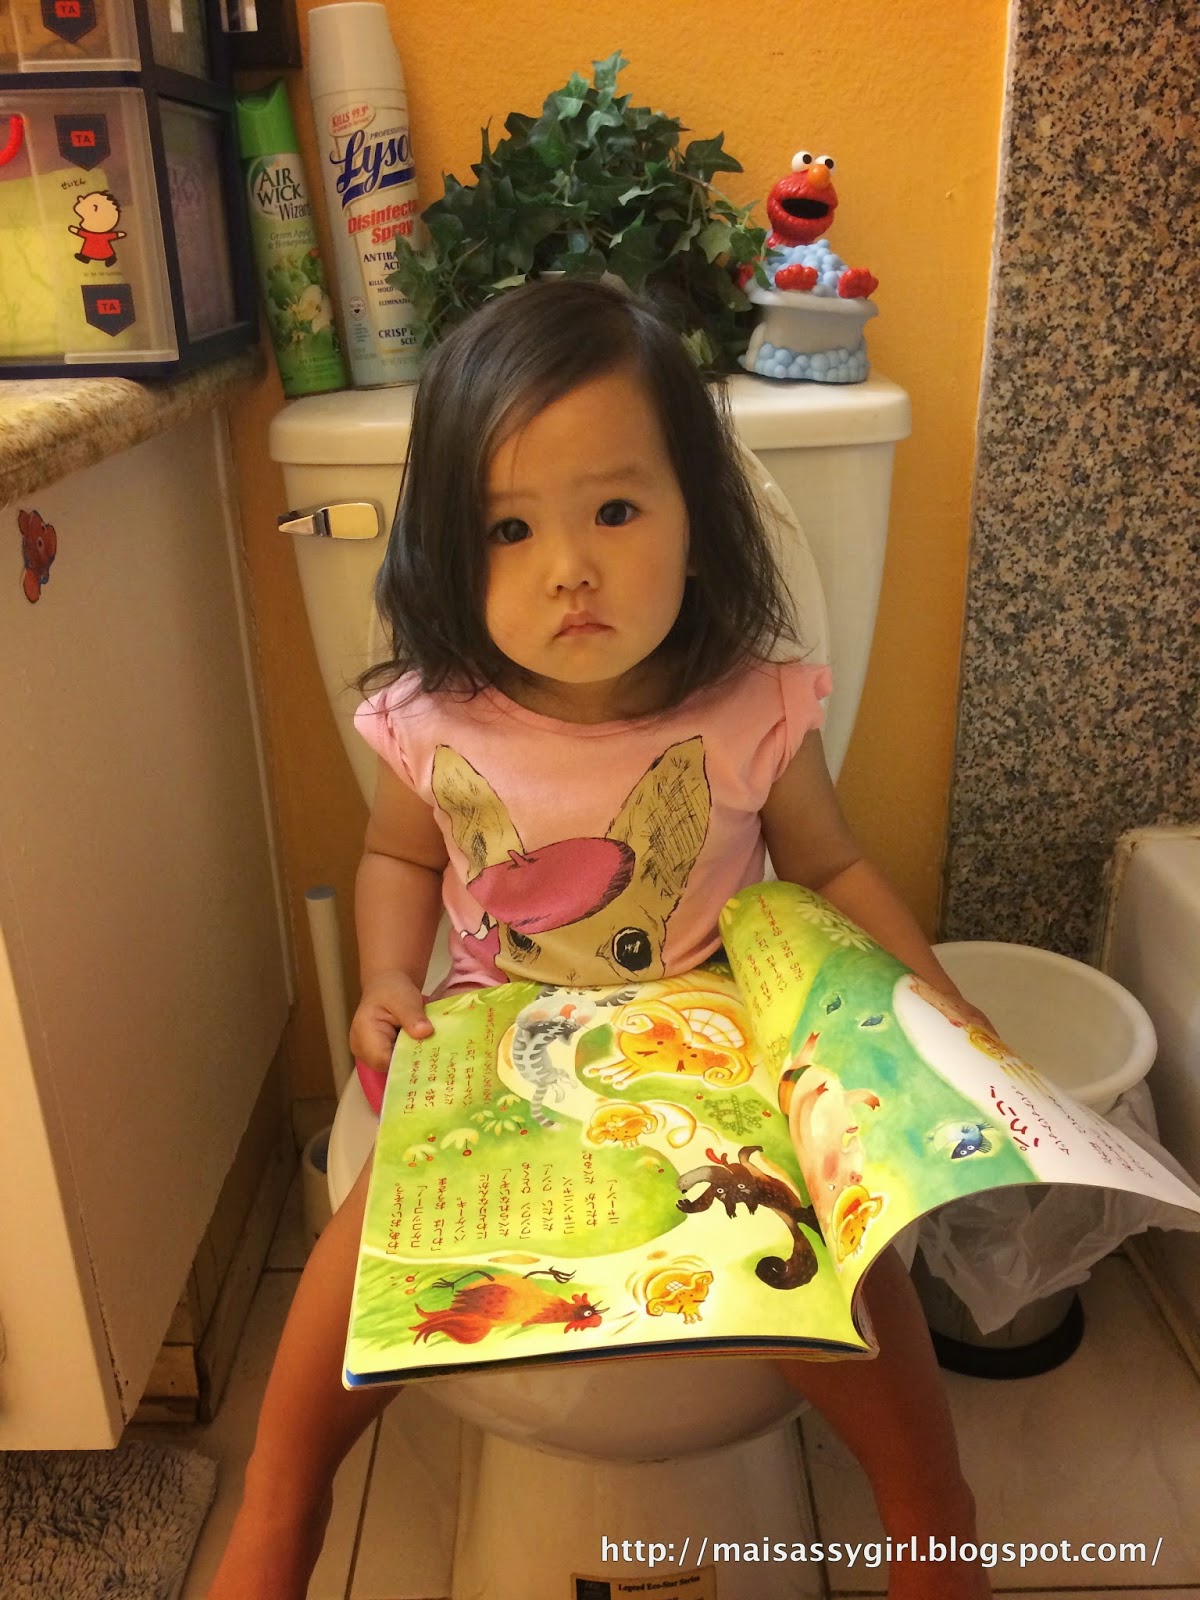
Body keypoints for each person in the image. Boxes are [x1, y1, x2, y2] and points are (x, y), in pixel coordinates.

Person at [210, 278, 992, 1600]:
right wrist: (389, 978)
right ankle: (281, 1508)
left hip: (711, 1043)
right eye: (509, 528)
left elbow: (833, 864)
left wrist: (936, 999)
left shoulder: (749, 706)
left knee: (833, 1255)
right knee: (373, 1237)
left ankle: (931, 1511)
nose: (567, 567)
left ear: (698, 515)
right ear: (450, 549)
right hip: (494, 1040)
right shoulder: (437, 715)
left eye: (615, 512)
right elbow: (401, 855)